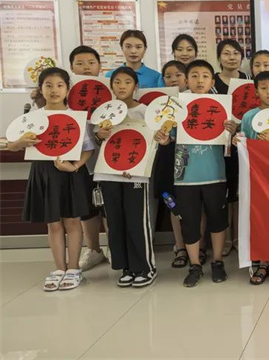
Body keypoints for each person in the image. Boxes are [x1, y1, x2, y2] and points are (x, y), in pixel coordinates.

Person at [10, 68, 96, 291]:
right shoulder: (32, 118)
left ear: (67, 89)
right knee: (53, 223)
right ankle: (59, 268)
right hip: (43, 172)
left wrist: (74, 166)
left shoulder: (77, 117)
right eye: (48, 85)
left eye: (60, 85)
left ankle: (74, 269)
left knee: (73, 221)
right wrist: (20, 142)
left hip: (70, 172)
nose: (54, 90)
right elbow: (12, 145)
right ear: (41, 89)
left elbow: (88, 148)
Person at [154, 60, 238, 287]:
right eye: (194, 76)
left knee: (218, 220)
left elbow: (232, 142)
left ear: (212, 81)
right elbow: (168, 139)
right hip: (185, 177)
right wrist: (164, 139)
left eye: (205, 76)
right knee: (189, 222)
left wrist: (233, 131)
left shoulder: (223, 106)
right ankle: (194, 265)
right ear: (186, 80)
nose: (200, 80)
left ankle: (217, 261)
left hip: (215, 173)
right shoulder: (176, 108)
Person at [93, 67, 157, 288]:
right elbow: (97, 140)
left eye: (127, 82)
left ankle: (145, 267)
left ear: (136, 86)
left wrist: (138, 164)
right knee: (115, 221)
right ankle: (126, 267)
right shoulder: (105, 111)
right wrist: (99, 134)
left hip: (135, 174)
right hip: (109, 172)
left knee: (136, 221)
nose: (122, 86)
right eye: (117, 82)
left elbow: (156, 141)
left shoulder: (145, 111)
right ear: (111, 86)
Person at [237, 70, 269, 286]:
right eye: (264, 88)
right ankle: (262, 262)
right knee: (258, 218)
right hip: (255, 176)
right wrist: (239, 142)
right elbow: (244, 142)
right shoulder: (249, 117)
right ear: (256, 91)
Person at [65, 46, 108, 272]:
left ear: (99, 66)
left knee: (110, 204)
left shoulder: (110, 88)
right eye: (80, 63)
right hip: (78, 158)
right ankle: (94, 249)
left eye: (91, 63)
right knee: (86, 205)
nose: (86, 68)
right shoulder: (65, 92)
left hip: (109, 156)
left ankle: (114, 247)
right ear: (71, 67)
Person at [210, 39, 250, 257]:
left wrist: (240, 128)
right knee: (224, 192)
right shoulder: (212, 83)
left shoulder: (249, 81)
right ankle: (225, 237)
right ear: (219, 58)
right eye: (226, 53)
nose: (232, 57)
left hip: (243, 144)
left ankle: (238, 236)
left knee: (240, 190)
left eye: (236, 53)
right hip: (218, 144)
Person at [153, 60, 192, 269]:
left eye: (178, 75)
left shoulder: (197, 100)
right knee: (173, 203)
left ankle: (198, 246)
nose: (173, 79)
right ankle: (180, 246)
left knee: (194, 202)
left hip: (192, 156)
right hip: (168, 154)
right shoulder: (159, 104)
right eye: (168, 76)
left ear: (186, 78)